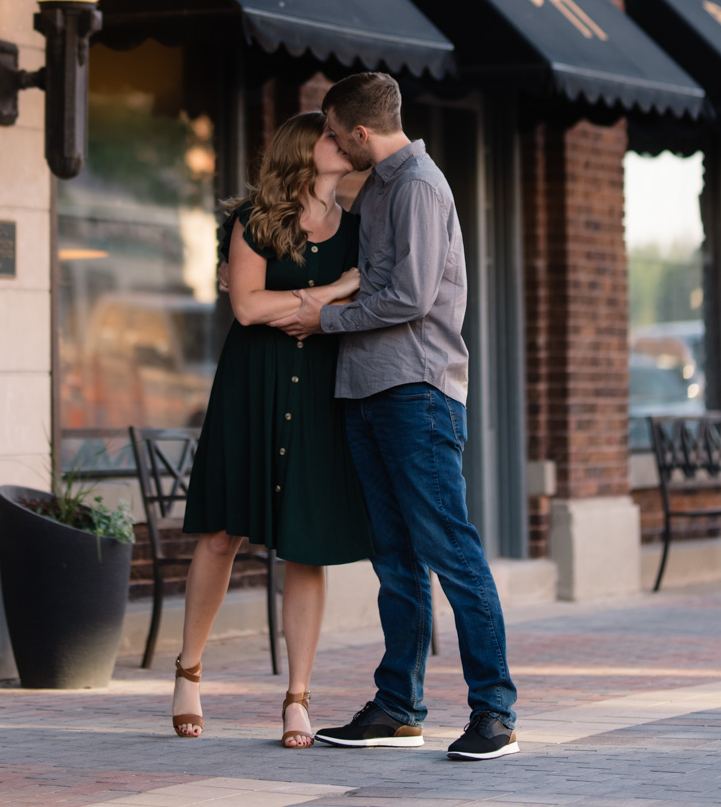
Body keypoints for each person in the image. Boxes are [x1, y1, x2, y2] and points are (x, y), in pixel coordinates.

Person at [270, 71, 519, 760]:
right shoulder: (376, 186)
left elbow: (408, 297)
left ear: (357, 132)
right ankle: (398, 705)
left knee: (450, 551)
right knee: (396, 560)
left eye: (328, 132)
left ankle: (494, 712)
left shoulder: (415, 185)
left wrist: (327, 319)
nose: (325, 142)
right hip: (369, 391)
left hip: (417, 391)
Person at [174, 110, 373, 747]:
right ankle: (189, 672)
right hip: (251, 388)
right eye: (329, 136)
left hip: (319, 392)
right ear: (301, 149)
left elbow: (367, 297)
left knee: (305, 546)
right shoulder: (255, 221)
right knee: (223, 533)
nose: (341, 145)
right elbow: (246, 306)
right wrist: (328, 294)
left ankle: (297, 698)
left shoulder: (360, 229)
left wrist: (331, 292)